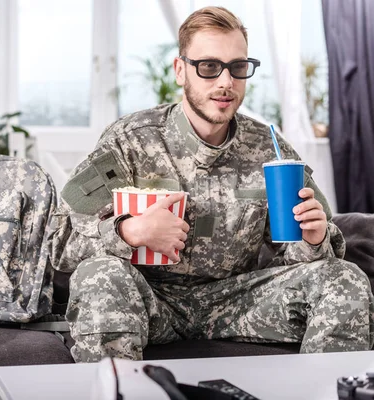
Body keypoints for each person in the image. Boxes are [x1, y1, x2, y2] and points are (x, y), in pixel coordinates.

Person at [47, 6, 374, 363]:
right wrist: (129, 232)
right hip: (150, 301)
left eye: (237, 67)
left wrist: (313, 240)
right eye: (208, 67)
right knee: (99, 274)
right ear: (180, 70)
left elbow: (300, 262)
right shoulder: (130, 140)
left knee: (344, 278)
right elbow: (60, 242)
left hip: (237, 302)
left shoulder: (270, 148)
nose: (225, 82)